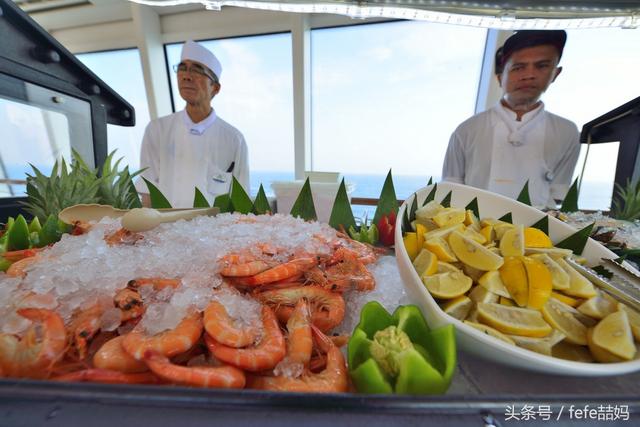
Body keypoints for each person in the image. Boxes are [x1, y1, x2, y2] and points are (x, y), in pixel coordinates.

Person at [441, 30, 580, 208]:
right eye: (518, 67)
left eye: (542, 65)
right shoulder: (467, 129)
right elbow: (451, 190)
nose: (529, 75)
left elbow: (558, 193)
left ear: (556, 73)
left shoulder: (567, 131)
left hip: (535, 231)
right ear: (500, 77)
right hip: (476, 230)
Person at [135, 40, 249, 208]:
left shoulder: (234, 139)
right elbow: (147, 190)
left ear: (215, 88)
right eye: (182, 68)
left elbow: (241, 200)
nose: (186, 76)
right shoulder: (157, 130)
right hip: (167, 229)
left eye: (197, 70)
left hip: (214, 231)